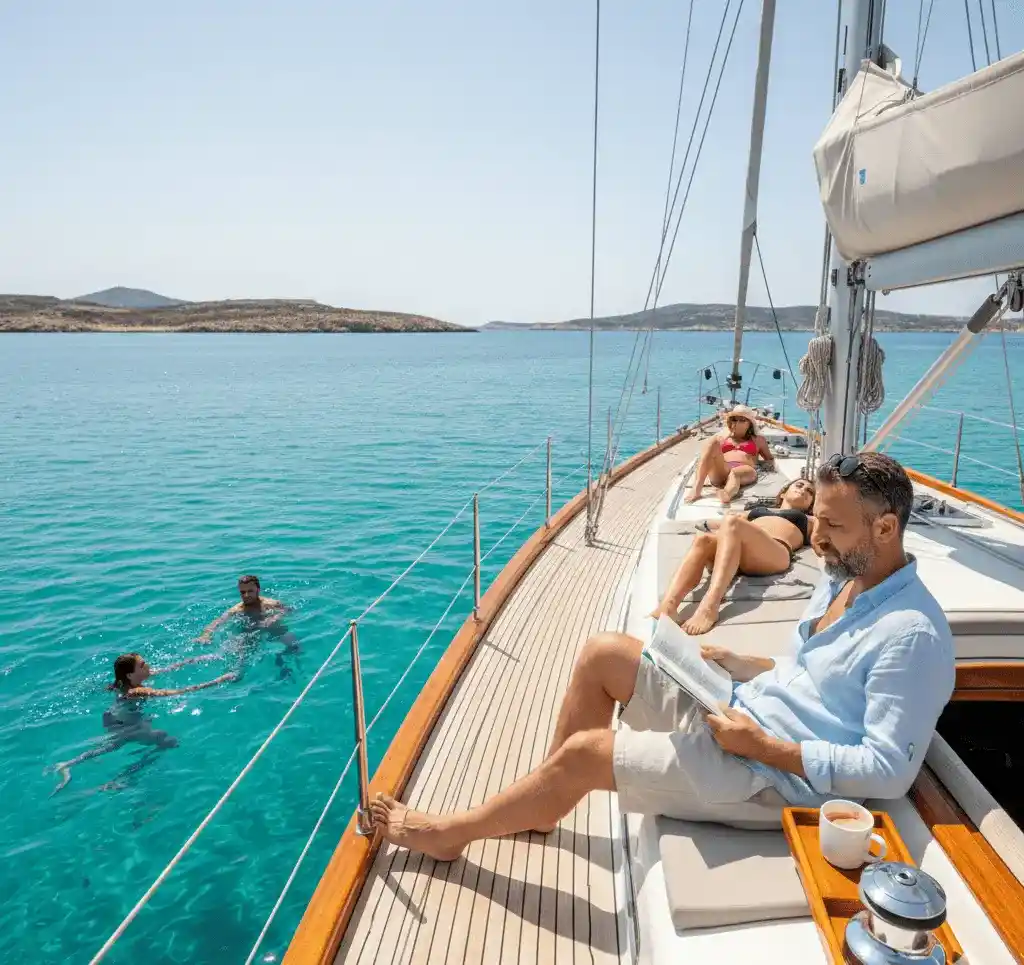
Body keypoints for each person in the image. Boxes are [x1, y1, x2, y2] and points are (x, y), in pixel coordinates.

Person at [368, 452, 955, 861]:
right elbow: (821, 682)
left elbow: (889, 771)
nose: (818, 537)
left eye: (833, 525)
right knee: (604, 654)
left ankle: (448, 833)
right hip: (743, 711)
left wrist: (760, 746)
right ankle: (543, 807)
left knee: (586, 753)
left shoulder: (911, 636)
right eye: (817, 520)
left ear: (885, 528)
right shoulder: (844, 575)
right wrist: (746, 664)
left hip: (775, 777)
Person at [651, 478, 816, 635]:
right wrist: (706, 524)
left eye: (810, 492)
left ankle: (710, 605)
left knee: (732, 522)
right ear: (783, 493)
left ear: (810, 504)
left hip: (775, 551)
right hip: (740, 548)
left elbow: (824, 538)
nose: (803, 490)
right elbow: (719, 523)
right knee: (703, 539)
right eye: (799, 485)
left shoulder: (808, 520)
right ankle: (669, 605)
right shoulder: (757, 511)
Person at [51, 652, 236, 792]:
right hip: (127, 723)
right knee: (167, 741)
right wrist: (217, 681)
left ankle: (68, 764)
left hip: (114, 718)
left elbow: (169, 668)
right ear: (131, 676)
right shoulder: (137, 691)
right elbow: (177, 693)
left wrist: (196, 659)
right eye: (143, 665)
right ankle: (122, 778)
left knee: (111, 746)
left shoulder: (122, 684)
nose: (148, 666)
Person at [685, 405, 776, 505]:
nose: (737, 423)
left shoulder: (758, 440)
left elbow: (769, 459)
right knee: (712, 443)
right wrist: (725, 435)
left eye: (742, 420)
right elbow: (708, 454)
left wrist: (765, 466)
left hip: (745, 470)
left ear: (749, 423)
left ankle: (726, 494)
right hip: (724, 469)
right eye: (734, 419)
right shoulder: (721, 438)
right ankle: (696, 489)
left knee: (735, 473)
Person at [196, 575, 299, 657]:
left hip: (273, 629)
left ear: (258, 590)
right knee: (239, 657)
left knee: (295, 647)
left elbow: (289, 610)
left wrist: (275, 618)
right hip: (251, 634)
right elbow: (217, 621)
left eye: (250, 591)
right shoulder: (237, 609)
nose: (246, 595)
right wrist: (205, 635)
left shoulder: (271, 603)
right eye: (243, 592)